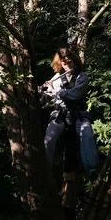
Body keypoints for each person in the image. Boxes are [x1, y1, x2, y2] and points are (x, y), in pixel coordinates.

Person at [41, 47, 99, 181]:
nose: (67, 64)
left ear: (74, 60)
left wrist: (58, 92)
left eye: (70, 61)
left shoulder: (82, 76)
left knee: (88, 135)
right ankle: (45, 173)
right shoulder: (56, 78)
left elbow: (75, 95)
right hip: (60, 115)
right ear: (60, 63)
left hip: (78, 115)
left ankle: (92, 171)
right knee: (48, 140)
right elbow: (45, 100)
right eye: (64, 62)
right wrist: (43, 91)